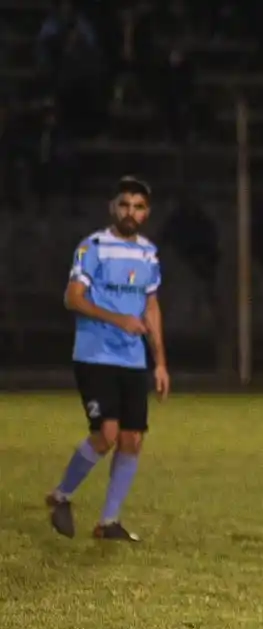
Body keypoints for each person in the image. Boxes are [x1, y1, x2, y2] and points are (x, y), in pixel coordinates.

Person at [46, 175, 169, 542]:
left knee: (132, 440)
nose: (131, 212)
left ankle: (108, 523)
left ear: (147, 213)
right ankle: (60, 496)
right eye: (125, 204)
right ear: (113, 207)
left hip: (132, 360)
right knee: (107, 435)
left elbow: (151, 306)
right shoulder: (93, 247)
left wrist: (160, 361)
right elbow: (73, 298)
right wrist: (118, 319)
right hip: (95, 353)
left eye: (139, 206)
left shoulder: (148, 253)